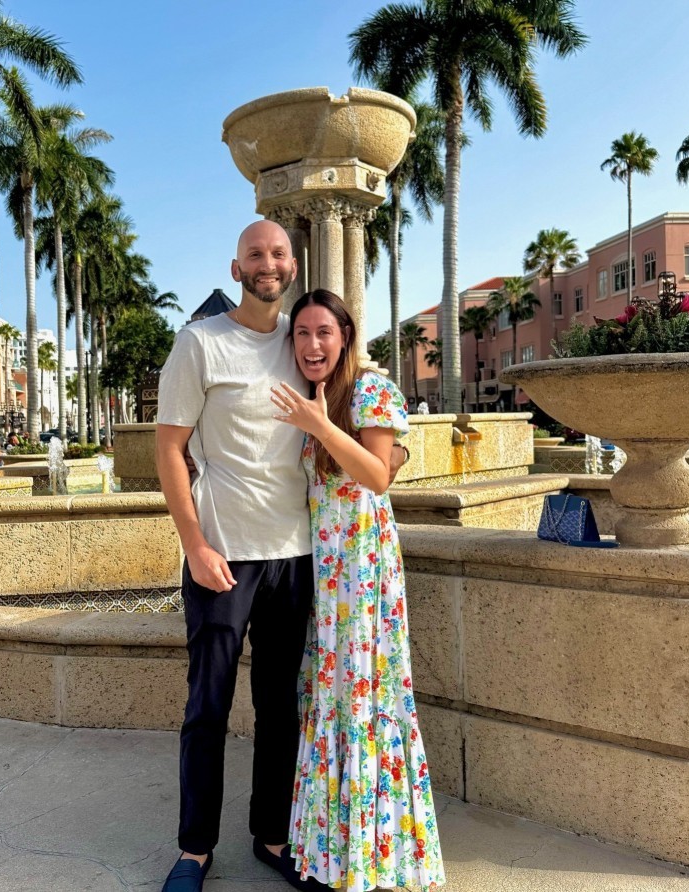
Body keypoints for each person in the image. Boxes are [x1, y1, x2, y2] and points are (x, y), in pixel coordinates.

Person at [156, 220, 318, 892]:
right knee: (208, 706)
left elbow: (356, 404)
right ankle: (194, 849)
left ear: (292, 266)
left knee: (281, 709)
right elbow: (169, 449)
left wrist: (391, 448)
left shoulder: (305, 341)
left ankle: (272, 836)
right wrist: (193, 545)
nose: (268, 263)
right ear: (236, 268)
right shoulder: (200, 342)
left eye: (278, 253)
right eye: (256, 254)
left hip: (295, 554)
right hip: (222, 555)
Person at [270, 290, 445, 892]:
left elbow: (375, 475)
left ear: (344, 336)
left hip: (364, 570)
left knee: (366, 695)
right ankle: (332, 853)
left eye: (324, 332)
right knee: (330, 695)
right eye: (302, 333)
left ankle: (372, 856)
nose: (312, 344)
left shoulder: (371, 390)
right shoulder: (305, 399)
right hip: (324, 571)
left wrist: (320, 426)